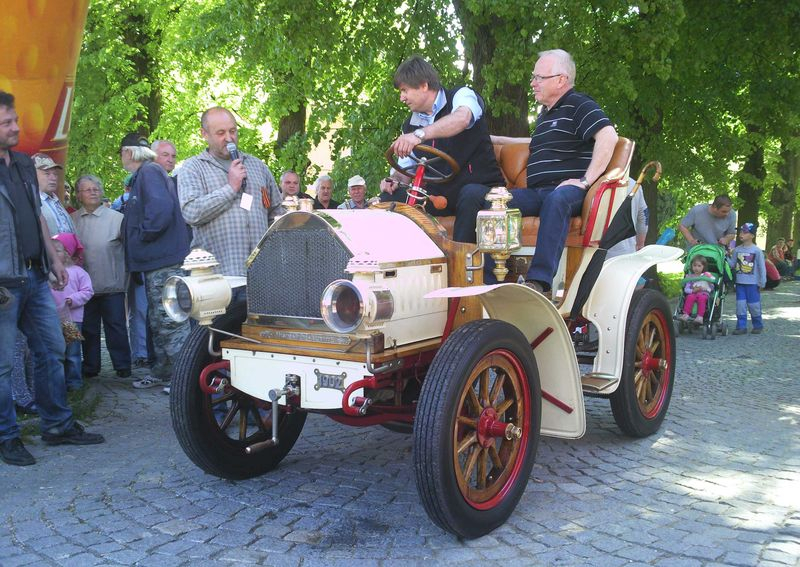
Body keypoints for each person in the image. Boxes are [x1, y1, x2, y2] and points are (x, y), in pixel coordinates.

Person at [455, 49, 618, 293]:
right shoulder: (545, 116)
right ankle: (487, 282)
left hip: (567, 192)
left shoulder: (578, 104)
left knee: (557, 199)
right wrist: (492, 139)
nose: (532, 83)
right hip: (538, 192)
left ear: (561, 80)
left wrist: (584, 181)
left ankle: (539, 281)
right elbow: (531, 144)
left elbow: (608, 135)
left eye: (539, 78)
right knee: (492, 202)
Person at [1, 90, 104, 466]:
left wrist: (54, 260)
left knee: (52, 349)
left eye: (14, 119)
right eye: (6, 123)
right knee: (3, 366)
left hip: (35, 275)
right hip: (3, 285)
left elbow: (37, 216)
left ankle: (57, 425)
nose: (15, 127)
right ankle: (7, 436)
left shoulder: (25, 165)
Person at [378, 55, 504, 216]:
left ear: (423, 85)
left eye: (404, 90)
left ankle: (460, 242)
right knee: (390, 198)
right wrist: (394, 180)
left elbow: (462, 118)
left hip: (482, 189)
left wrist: (419, 135)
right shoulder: (409, 125)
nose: (401, 98)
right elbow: (404, 171)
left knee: (470, 195)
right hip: (439, 197)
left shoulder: (461, 95)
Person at [179, 106, 284, 282]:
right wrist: (231, 188)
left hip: (262, 276)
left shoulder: (257, 166)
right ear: (204, 134)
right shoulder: (193, 167)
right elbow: (191, 212)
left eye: (233, 131)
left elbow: (277, 212)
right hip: (216, 277)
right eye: (221, 133)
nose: (229, 138)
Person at [120, 132, 191, 391]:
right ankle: (164, 372)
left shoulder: (149, 172)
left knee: (170, 322)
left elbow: (159, 211)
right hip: (155, 262)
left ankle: (185, 380)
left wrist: (142, 235)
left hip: (163, 262)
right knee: (158, 322)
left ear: (127, 153)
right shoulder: (150, 173)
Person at [71, 174, 132, 378]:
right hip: (83, 287)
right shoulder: (72, 220)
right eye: (87, 189)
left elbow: (128, 249)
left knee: (116, 326)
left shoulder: (117, 218)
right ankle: (90, 366)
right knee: (88, 328)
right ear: (79, 195)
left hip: (111, 282)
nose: (93, 191)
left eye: (96, 187)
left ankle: (123, 366)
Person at [50, 233, 93, 391]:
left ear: (68, 253)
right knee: (56, 351)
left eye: (57, 251)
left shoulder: (78, 272)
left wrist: (73, 299)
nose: (53, 254)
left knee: (73, 353)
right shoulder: (48, 273)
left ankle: (74, 383)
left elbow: (88, 291)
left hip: (72, 320)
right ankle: (58, 383)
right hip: (52, 319)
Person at [729, 222, 766, 335]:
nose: (741, 234)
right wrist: (725, 257)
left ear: (752, 235)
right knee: (740, 306)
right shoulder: (737, 250)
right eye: (740, 231)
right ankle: (741, 326)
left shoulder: (757, 251)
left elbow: (761, 267)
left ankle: (758, 325)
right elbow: (732, 264)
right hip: (740, 283)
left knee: (754, 305)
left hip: (753, 284)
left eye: (745, 232)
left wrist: (762, 281)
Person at [34, 153, 76, 236]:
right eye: (47, 173)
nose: (53, 178)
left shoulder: (55, 200)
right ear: (33, 175)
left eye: (55, 174)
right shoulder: (30, 203)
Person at [606, 179, 648, 259]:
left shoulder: (593, 180)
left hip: (595, 254)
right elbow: (643, 215)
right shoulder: (634, 185)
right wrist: (640, 244)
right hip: (627, 252)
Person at [679, 255, 715, 324]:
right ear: (691, 267)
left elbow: (712, 285)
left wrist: (709, 279)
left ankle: (700, 317)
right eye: (694, 266)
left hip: (703, 294)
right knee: (689, 297)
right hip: (693, 293)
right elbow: (686, 289)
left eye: (699, 266)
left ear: (703, 267)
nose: (696, 268)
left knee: (702, 298)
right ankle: (686, 314)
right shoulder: (690, 277)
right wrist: (692, 290)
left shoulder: (706, 275)